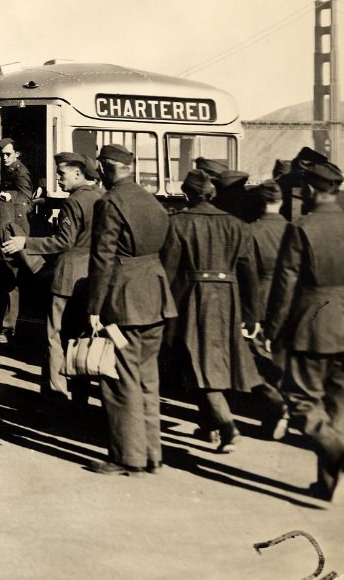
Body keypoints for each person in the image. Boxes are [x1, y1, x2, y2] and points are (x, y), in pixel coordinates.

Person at [85, 143, 175, 475]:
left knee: (121, 380)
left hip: (124, 302)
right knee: (148, 379)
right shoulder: (152, 201)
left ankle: (128, 458)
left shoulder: (110, 203)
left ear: (106, 168)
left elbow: (103, 258)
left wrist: (94, 306)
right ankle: (153, 455)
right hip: (155, 298)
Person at [161, 169, 260, 453]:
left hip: (193, 298)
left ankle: (226, 425)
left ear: (188, 194)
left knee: (198, 362)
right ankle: (209, 427)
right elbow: (248, 272)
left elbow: (169, 271)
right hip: (228, 299)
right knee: (212, 361)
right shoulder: (236, 225)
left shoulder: (179, 223)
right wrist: (253, 315)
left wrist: (164, 307)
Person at [266, 159, 344, 503]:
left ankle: (338, 455)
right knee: (338, 408)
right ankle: (325, 486)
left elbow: (286, 285)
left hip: (313, 326)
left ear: (311, 190)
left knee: (301, 401)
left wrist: (274, 328)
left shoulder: (302, 227)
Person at [2, 152, 101, 409]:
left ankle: (55, 394)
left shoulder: (74, 202)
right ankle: (81, 397)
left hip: (68, 278)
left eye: (62, 174)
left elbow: (63, 241)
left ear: (78, 174)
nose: (59, 179)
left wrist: (26, 242)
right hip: (92, 277)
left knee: (55, 337)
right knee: (81, 337)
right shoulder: (100, 199)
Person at [246, 179, 291, 439]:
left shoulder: (251, 231)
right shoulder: (293, 229)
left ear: (259, 203)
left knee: (258, 362)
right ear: (281, 202)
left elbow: (248, 274)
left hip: (260, 302)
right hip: (290, 303)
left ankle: (275, 408)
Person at [0, 137, 34, 344]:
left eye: (8, 154)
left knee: (12, 278)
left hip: (18, 230)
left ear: (17, 154)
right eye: (2, 155)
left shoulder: (21, 171)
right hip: (10, 227)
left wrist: (9, 195)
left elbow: (26, 200)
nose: (5, 158)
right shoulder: (10, 170)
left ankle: (8, 328)